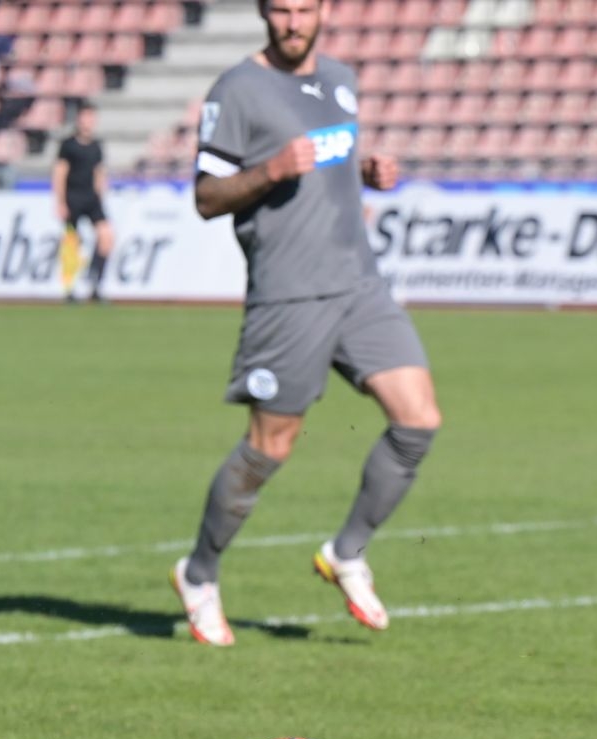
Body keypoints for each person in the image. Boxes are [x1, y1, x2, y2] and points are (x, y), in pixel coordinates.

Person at [171, 0, 445, 646]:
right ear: (265, 14)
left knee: (418, 418)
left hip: (359, 285)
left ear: (323, 10)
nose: (293, 22)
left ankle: (346, 553)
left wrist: (368, 172)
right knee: (270, 448)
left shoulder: (341, 79)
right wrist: (268, 171)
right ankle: (200, 574)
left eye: (305, 9)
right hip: (287, 296)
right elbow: (206, 197)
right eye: (281, 11)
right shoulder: (237, 89)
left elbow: (331, 167)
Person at [53, 104, 112, 304]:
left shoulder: (96, 145)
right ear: (79, 119)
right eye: (86, 117)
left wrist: (101, 195)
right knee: (72, 243)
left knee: (106, 237)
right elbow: (60, 172)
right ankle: (69, 288)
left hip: (91, 198)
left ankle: (95, 283)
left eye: (92, 117)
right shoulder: (68, 145)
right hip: (73, 198)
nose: (89, 122)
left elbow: (99, 172)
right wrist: (60, 201)